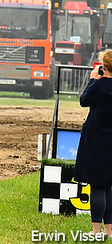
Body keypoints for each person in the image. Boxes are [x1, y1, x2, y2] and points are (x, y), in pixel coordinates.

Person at [74, 50, 112, 239]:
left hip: (96, 138)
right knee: (108, 187)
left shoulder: (98, 86)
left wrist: (92, 80)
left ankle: (96, 232)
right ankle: (109, 231)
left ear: (103, 67)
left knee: (97, 186)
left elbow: (83, 101)